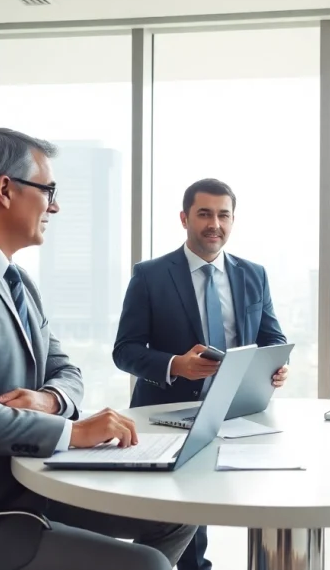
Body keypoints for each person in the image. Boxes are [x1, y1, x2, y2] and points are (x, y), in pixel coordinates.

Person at [0, 128, 196, 570]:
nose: (55, 205)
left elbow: (67, 370)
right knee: (148, 564)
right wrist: (74, 432)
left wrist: (51, 399)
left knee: (177, 517)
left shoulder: (17, 281)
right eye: (49, 190)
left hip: (21, 482)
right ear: (5, 189)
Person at [113, 177, 289, 570]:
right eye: (205, 214)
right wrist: (177, 365)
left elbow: (271, 337)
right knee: (175, 518)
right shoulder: (150, 275)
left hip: (233, 413)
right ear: (184, 218)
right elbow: (124, 351)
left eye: (223, 215)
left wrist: (276, 367)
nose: (215, 224)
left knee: (236, 500)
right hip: (167, 413)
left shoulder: (253, 274)